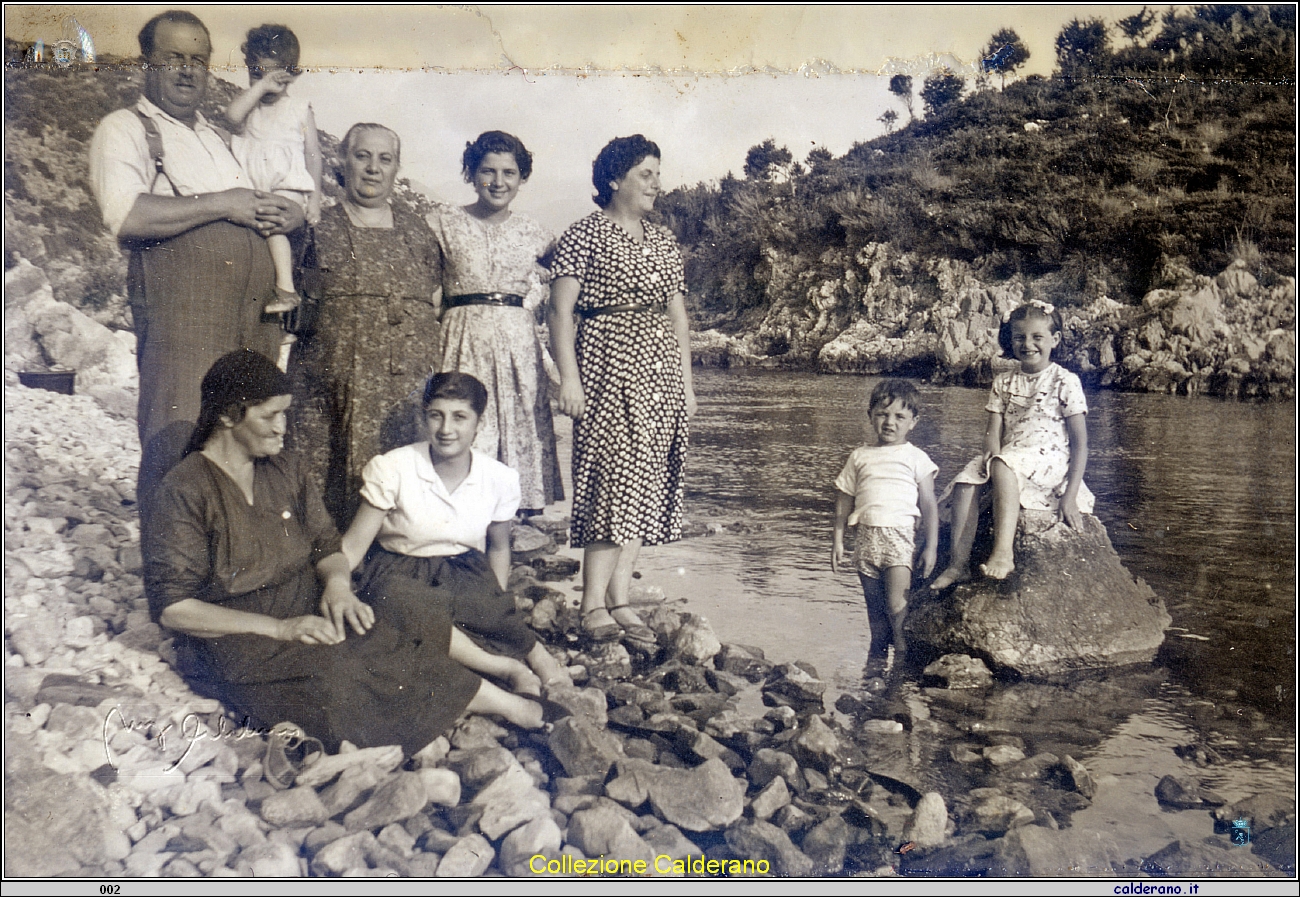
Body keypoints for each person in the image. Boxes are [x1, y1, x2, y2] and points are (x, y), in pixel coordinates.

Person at [142, 350, 542, 757]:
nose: (283, 428)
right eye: (270, 416)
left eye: (286, 414)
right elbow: (175, 608)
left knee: (401, 603)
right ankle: (497, 707)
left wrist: (337, 585)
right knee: (338, 670)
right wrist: (281, 629)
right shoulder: (185, 489)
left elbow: (326, 545)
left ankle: (499, 676)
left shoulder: (286, 468)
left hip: (305, 601)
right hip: (239, 635)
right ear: (228, 417)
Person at [88, 10, 304, 514]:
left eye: (198, 60)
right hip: (185, 319)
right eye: (173, 58)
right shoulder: (124, 129)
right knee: (178, 436)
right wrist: (223, 203)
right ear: (147, 62)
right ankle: (172, 584)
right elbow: (127, 214)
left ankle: (232, 575)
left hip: (251, 322)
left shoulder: (219, 135)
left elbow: (274, 192)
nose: (187, 70)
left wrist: (288, 211)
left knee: (246, 443)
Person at [548, 135, 695, 642]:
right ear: (615, 178)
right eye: (646, 174)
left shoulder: (661, 239)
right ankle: (591, 604)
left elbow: (678, 315)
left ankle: (619, 597)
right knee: (612, 479)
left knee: (645, 482)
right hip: (606, 365)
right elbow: (559, 312)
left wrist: (687, 386)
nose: (657, 184)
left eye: (658, 173)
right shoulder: (582, 235)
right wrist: (569, 378)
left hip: (659, 374)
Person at [340, 372, 571, 692]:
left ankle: (536, 653)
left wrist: (496, 598)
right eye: (436, 416)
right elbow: (353, 546)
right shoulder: (393, 467)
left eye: (460, 417)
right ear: (425, 417)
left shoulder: (498, 477)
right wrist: (335, 587)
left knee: (485, 610)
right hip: (399, 570)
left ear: (479, 424)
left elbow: (499, 548)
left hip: (464, 570)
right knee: (401, 611)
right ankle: (504, 667)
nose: (446, 429)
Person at [292, 123, 442, 528]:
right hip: (328, 385)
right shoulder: (316, 225)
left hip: (402, 389)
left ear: (396, 169)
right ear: (343, 162)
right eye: (362, 156)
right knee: (319, 486)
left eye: (385, 159)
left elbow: (435, 297)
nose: (373, 168)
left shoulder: (417, 230)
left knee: (399, 486)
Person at [430, 131, 563, 514]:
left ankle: (517, 526)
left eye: (509, 172)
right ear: (471, 174)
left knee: (518, 425)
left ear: (522, 179)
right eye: (488, 171)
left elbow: (572, 284)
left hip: (517, 345)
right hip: (461, 338)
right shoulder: (442, 223)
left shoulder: (537, 234)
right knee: (463, 421)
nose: (498, 182)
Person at [931, 301, 1093, 588]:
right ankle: (958, 565)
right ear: (1010, 341)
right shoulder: (1004, 382)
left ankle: (1003, 553)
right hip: (1011, 454)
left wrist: (1069, 496)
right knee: (968, 478)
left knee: (1005, 465)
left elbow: (1080, 445)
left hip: (1049, 459)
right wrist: (990, 452)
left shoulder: (1065, 381)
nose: (1028, 344)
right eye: (1020, 337)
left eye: (1037, 337)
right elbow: (993, 431)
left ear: (1054, 340)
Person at [832, 379, 939, 668]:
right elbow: (845, 497)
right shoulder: (859, 456)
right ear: (870, 416)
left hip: (899, 540)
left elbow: (929, 503)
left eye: (899, 417)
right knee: (875, 614)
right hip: (865, 541)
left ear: (913, 422)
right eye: (882, 414)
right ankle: (875, 667)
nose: (889, 422)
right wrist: (838, 539)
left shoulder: (917, 458)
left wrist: (931, 546)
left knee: (896, 606)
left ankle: (901, 668)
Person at [226, 24, 323, 316]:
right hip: (256, 183)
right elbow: (231, 118)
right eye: (257, 73)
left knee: (272, 225)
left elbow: (313, 155)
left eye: (274, 76)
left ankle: (286, 288)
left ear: (291, 75)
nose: (266, 84)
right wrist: (259, 87)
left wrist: (315, 199)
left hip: (286, 182)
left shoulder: (298, 108)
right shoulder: (249, 107)